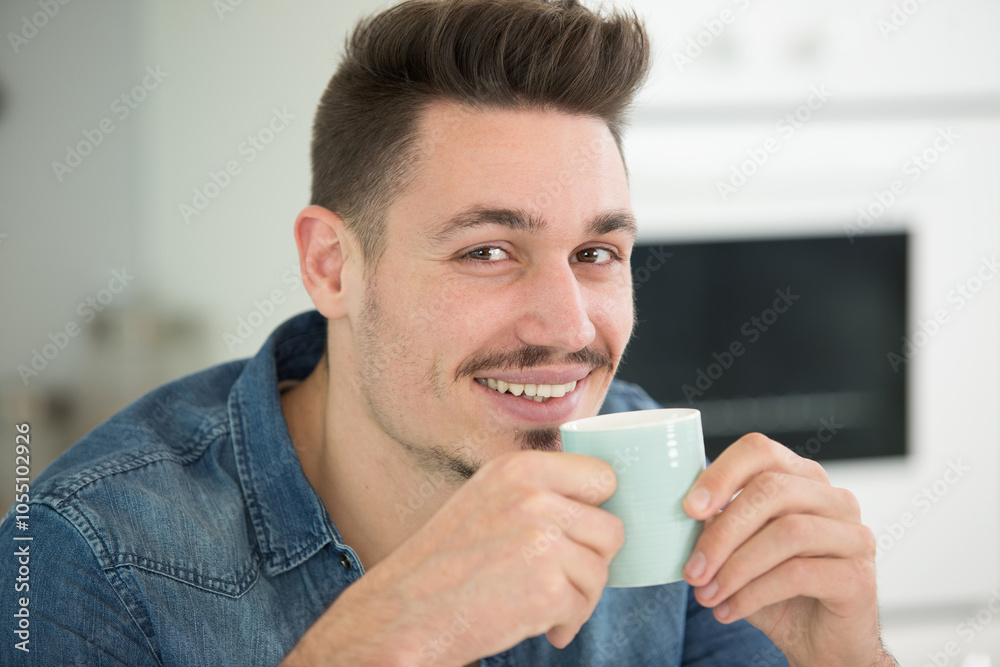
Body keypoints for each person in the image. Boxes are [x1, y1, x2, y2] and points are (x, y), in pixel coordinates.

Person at [1, 0, 899, 664]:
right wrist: (388, 638)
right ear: (331, 266)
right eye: (488, 250)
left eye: (595, 251)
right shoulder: (88, 554)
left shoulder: (652, 482)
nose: (569, 325)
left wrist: (847, 654)